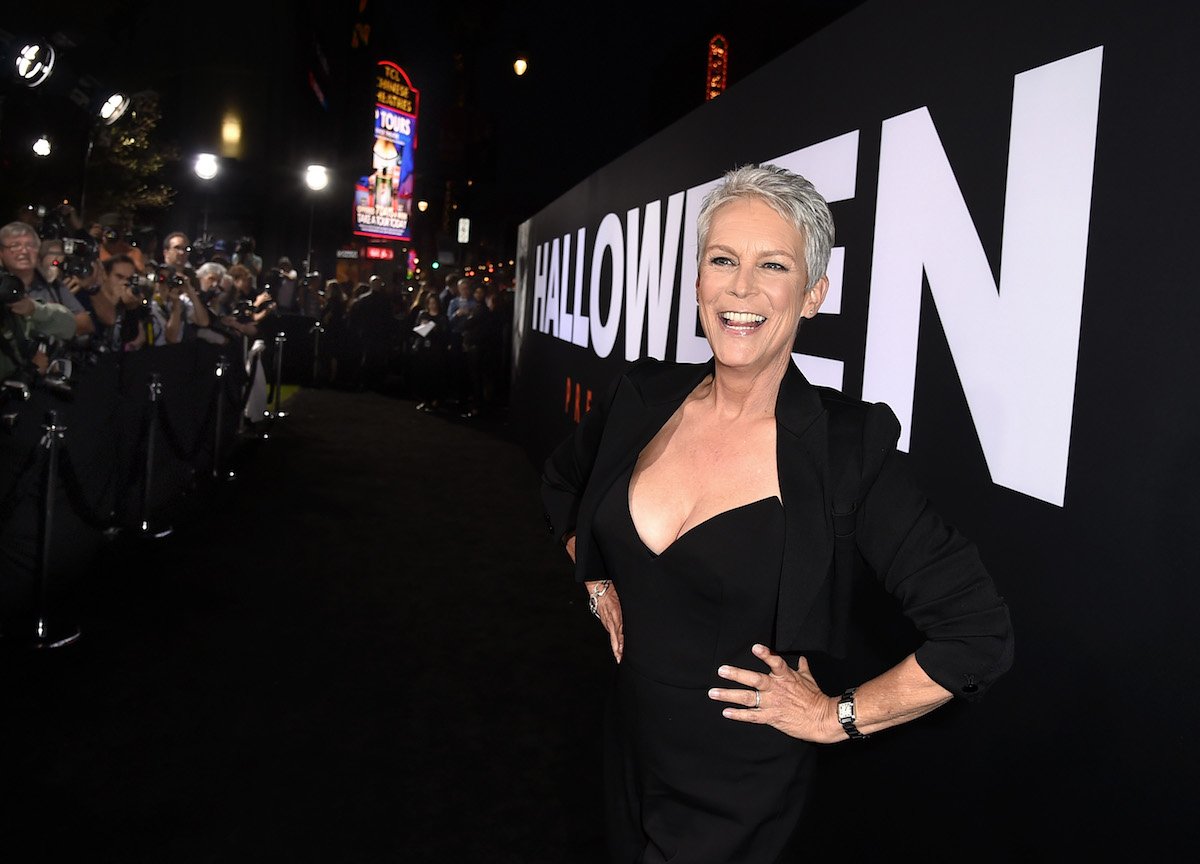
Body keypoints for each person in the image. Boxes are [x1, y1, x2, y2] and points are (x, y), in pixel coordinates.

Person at [540, 163, 1014, 862]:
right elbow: (562, 483)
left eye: (774, 266)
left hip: (742, 798)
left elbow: (979, 636)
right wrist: (595, 574)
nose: (740, 288)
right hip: (626, 753)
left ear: (814, 293)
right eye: (722, 260)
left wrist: (835, 717)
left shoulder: (847, 450)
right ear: (698, 278)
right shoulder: (640, 397)